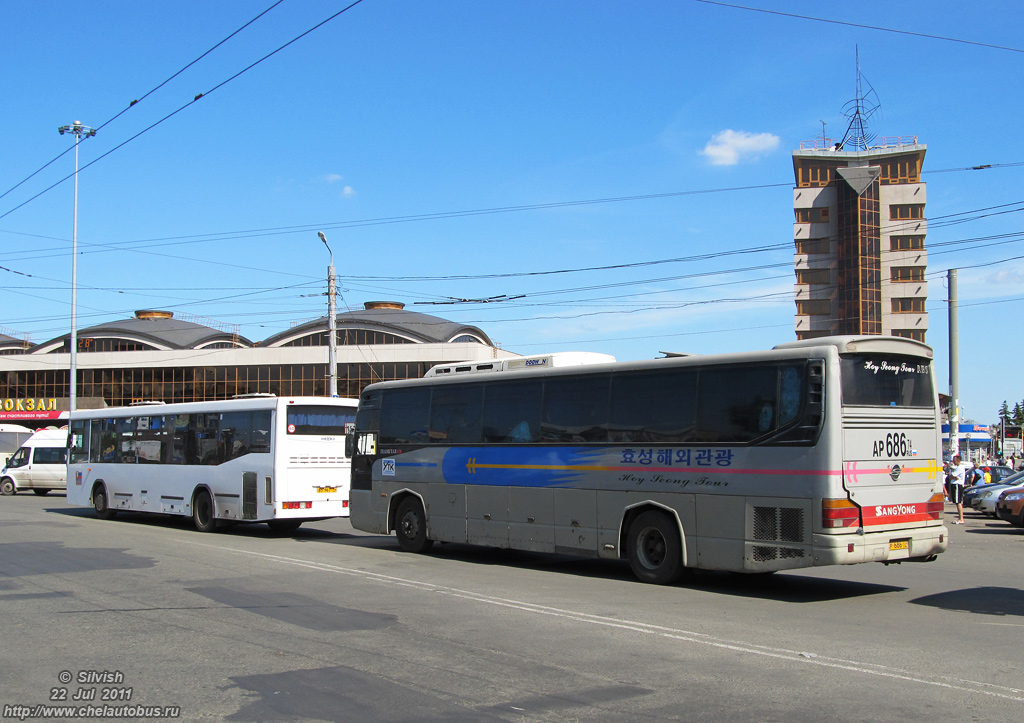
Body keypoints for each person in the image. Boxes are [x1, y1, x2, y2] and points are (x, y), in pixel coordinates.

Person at [947, 454, 968, 524]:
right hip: (956, 484)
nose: (953, 461)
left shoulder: (960, 467)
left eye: (954, 460)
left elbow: (951, 476)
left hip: (957, 485)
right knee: (957, 502)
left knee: (958, 502)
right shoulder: (958, 467)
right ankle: (960, 518)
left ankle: (961, 518)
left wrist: (953, 476)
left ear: (957, 460)